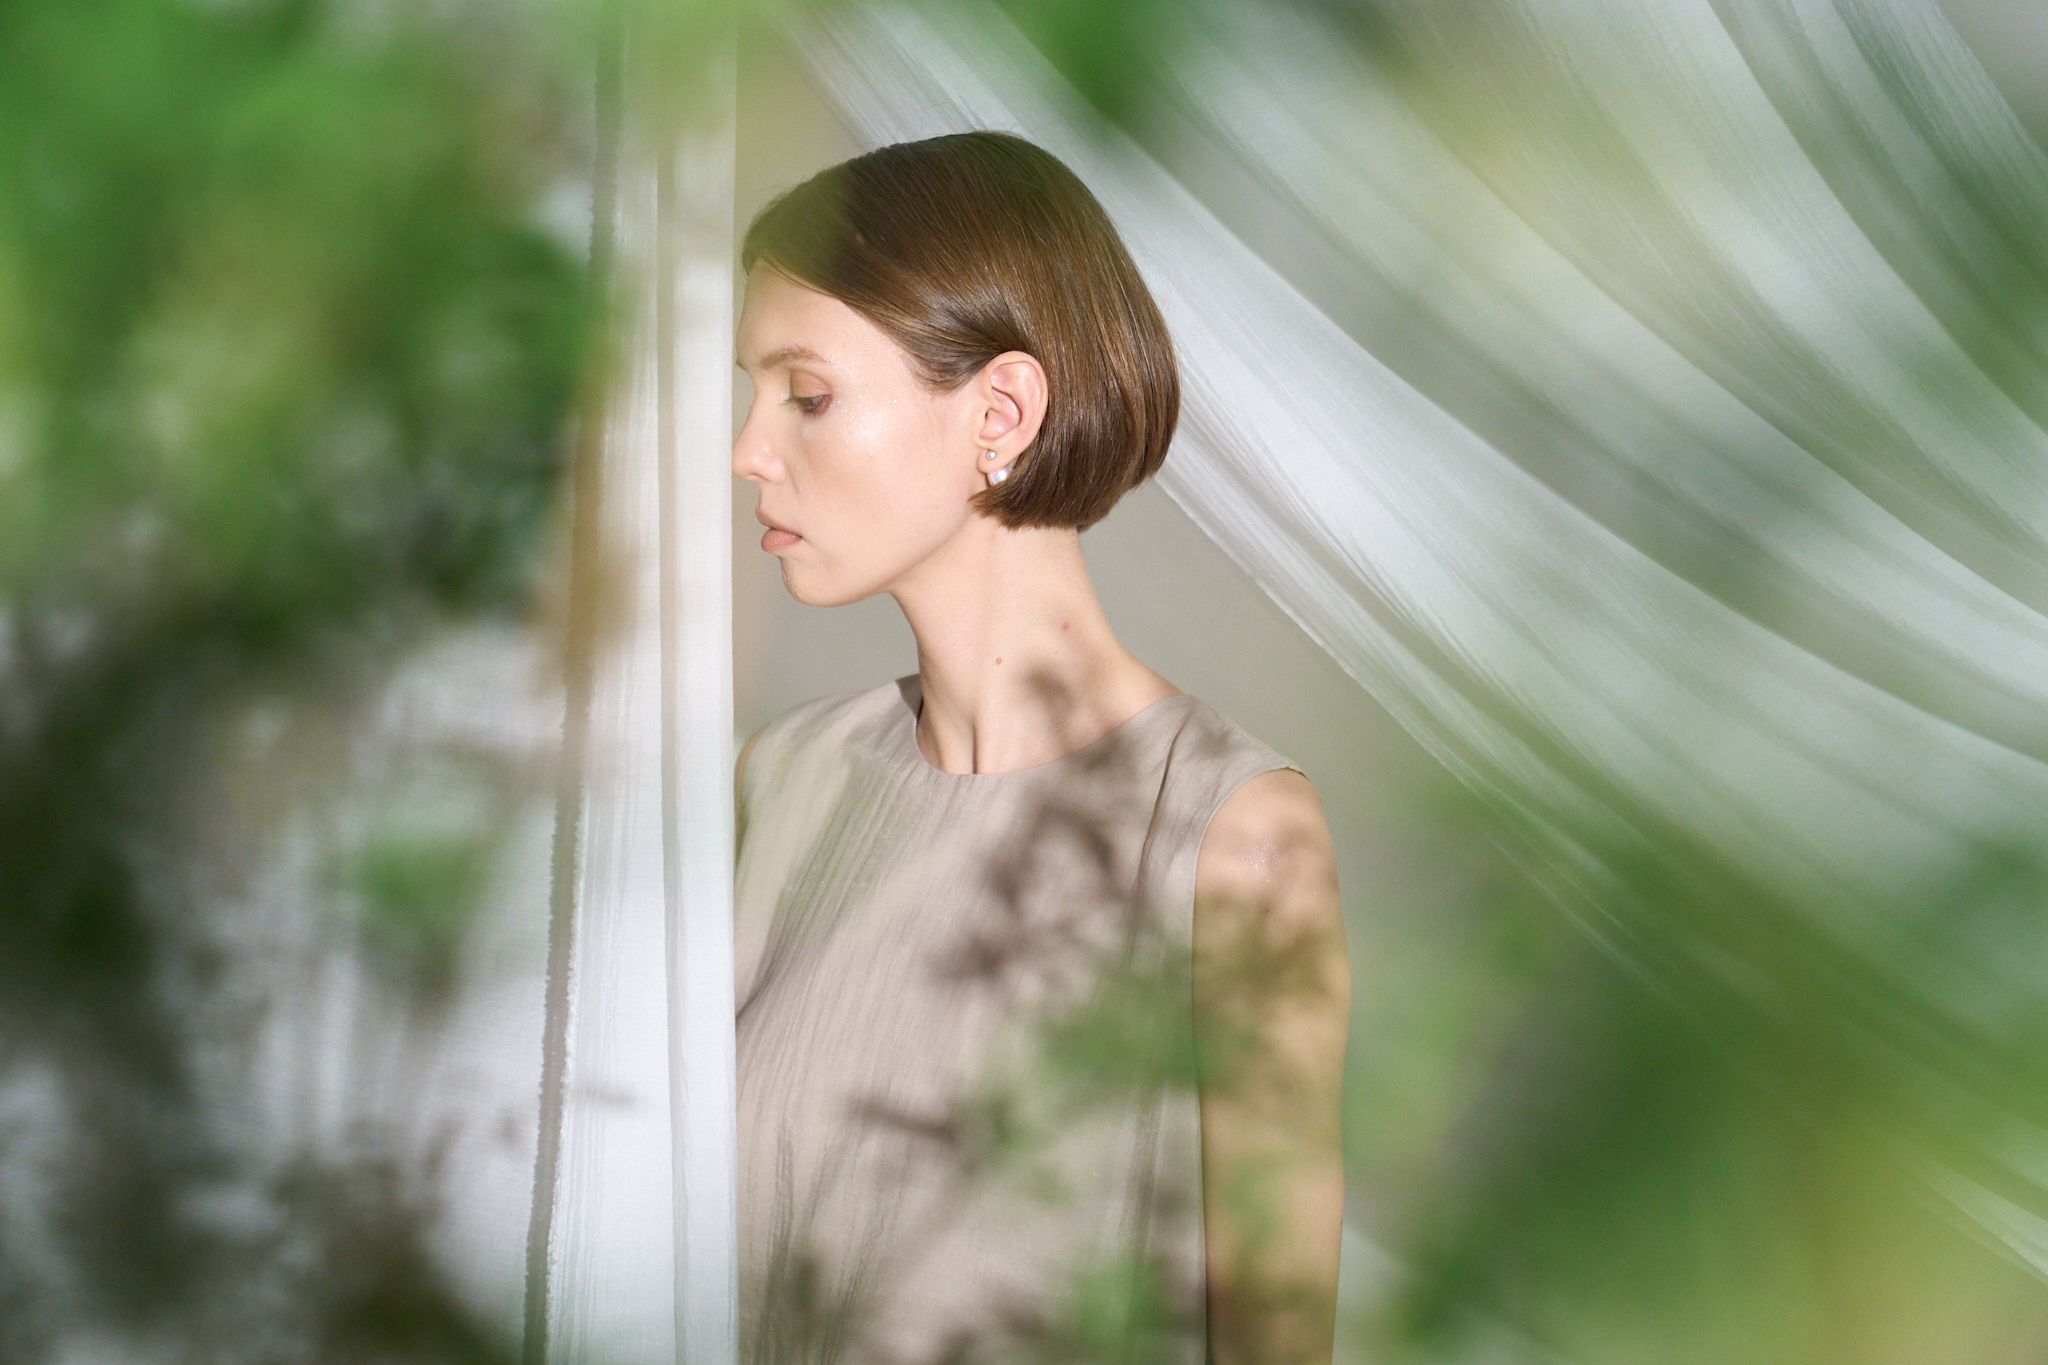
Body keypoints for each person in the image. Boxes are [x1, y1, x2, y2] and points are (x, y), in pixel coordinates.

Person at [730, 130, 1348, 1365]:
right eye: (752, 394)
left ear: (1000, 411)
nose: (748, 449)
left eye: (805, 395)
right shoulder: (779, 783)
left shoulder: (1230, 840)